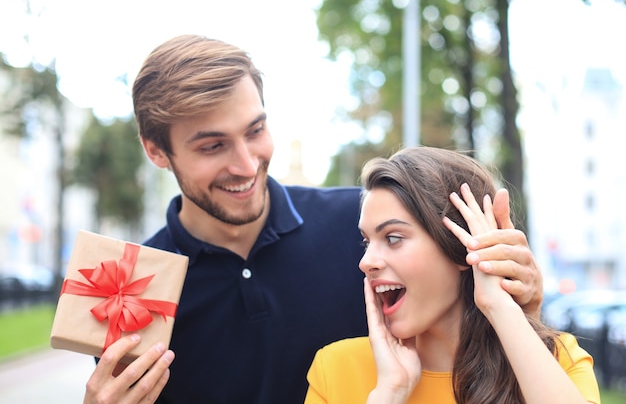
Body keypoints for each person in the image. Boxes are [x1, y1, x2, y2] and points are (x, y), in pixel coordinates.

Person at [82, 35, 545, 404]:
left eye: (255, 130)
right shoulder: (133, 287)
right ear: (157, 151)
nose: (246, 164)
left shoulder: (365, 228)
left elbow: (473, 351)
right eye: (212, 146)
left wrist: (523, 299)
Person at [304, 146, 600, 404]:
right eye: (367, 242)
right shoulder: (335, 370)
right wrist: (389, 393)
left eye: (393, 238)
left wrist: (498, 304)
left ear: (462, 245)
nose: (366, 262)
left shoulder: (557, 362)